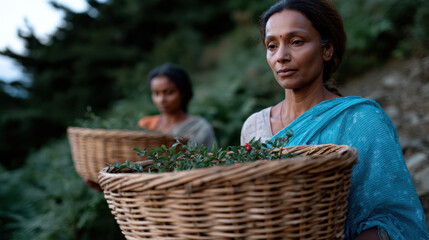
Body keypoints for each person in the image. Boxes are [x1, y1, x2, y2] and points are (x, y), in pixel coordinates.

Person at [240, 0, 429, 239]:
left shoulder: (361, 121)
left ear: (326, 49)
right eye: (271, 45)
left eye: (296, 42)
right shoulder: (254, 127)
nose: (281, 56)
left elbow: (392, 217)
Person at [138, 63, 216, 150]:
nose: (161, 100)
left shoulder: (199, 128)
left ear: (183, 93)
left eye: (169, 92)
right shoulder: (147, 124)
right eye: (156, 93)